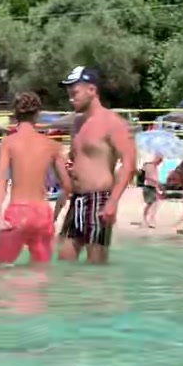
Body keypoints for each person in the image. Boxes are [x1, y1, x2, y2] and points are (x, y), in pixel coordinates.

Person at [56, 66, 136, 264]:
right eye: (69, 94)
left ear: (91, 90)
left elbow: (129, 163)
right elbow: (78, 158)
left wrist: (113, 201)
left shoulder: (113, 122)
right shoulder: (77, 124)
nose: (70, 99)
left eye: (75, 93)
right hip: (77, 200)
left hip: (99, 200)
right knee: (64, 261)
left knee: (96, 265)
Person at [0, 91, 71, 266]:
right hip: (42, 214)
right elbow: (67, 185)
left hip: (18, 212)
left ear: (15, 115)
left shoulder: (8, 143)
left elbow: (1, 180)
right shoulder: (52, 145)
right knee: (40, 270)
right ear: (37, 114)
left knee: (3, 268)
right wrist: (55, 214)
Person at [141, 152, 163, 228]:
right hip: (148, 186)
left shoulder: (155, 167)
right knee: (150, 203)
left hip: (153, 187)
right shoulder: (149, 165)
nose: (160, 162)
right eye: (159, 160)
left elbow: (154, 178)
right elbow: (147, 177)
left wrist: (158, 185)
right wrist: (157, 182)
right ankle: (146, 219)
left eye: (161, 161)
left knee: (154, 203)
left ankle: (150, 218)